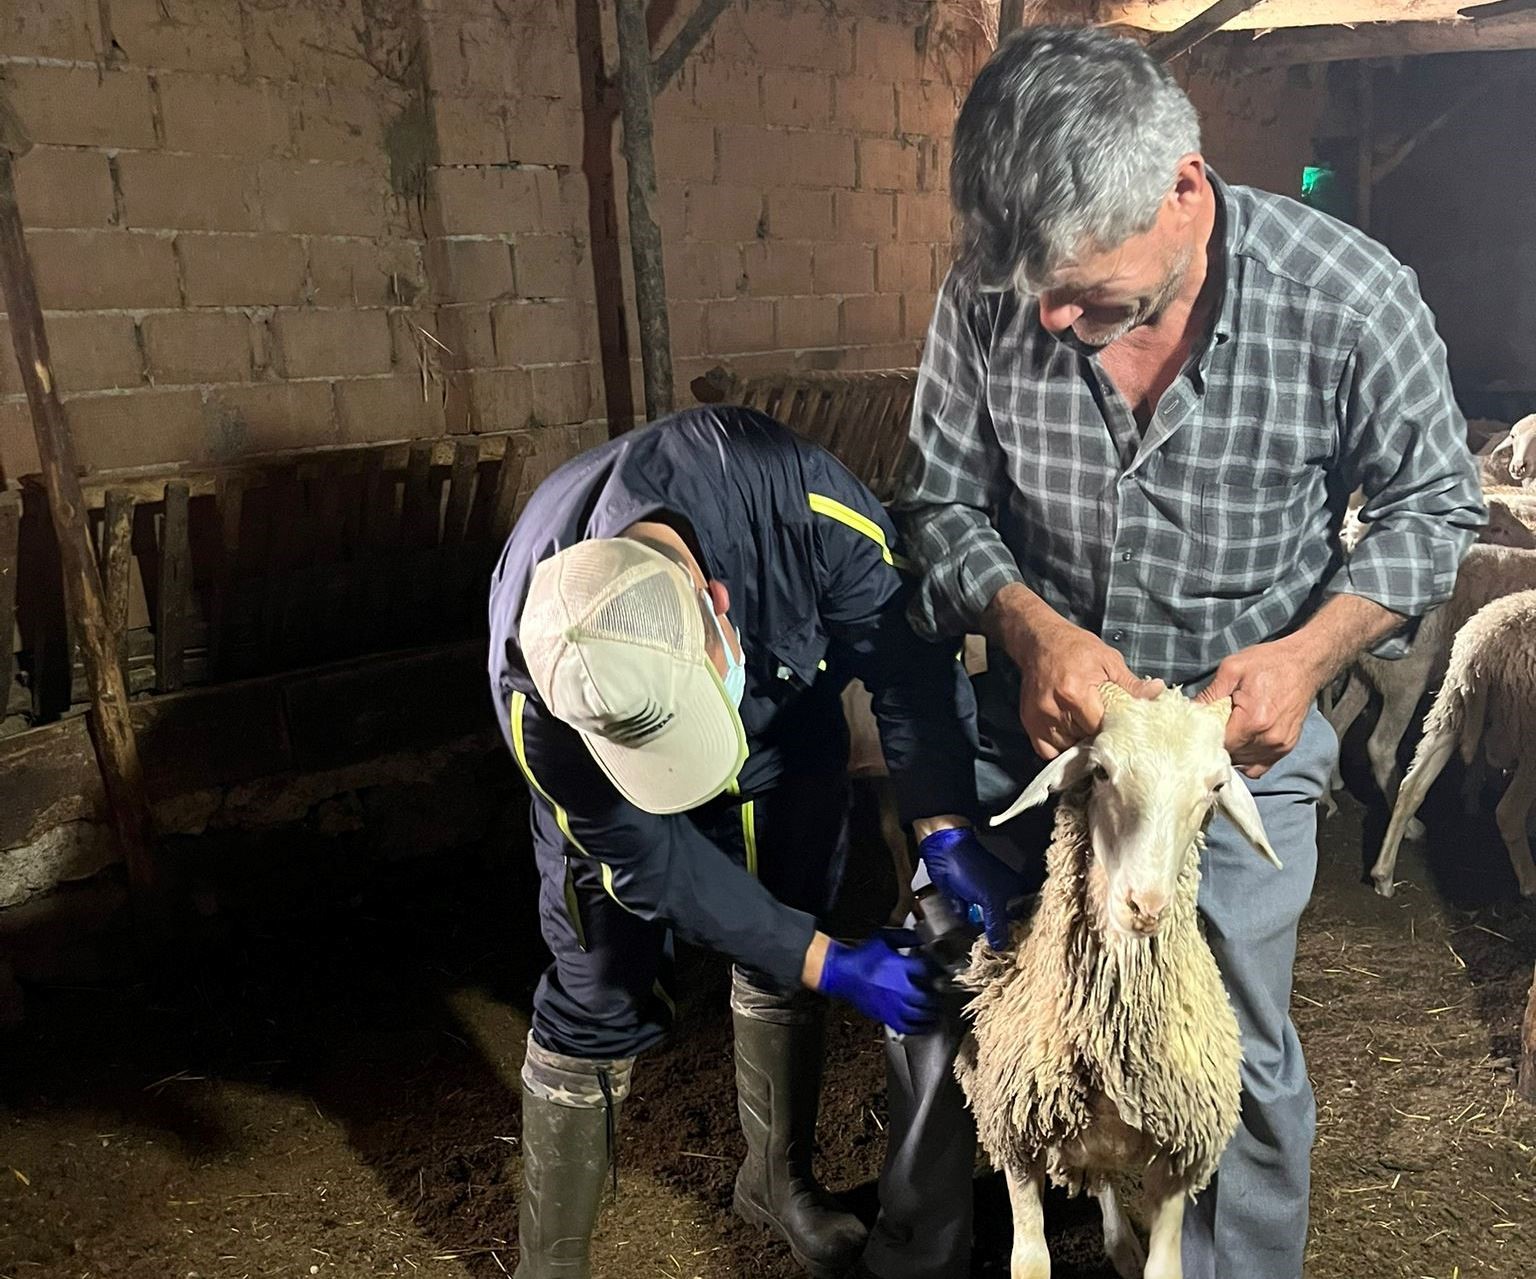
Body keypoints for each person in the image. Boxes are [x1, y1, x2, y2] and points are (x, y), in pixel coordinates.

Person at [866, 26, 1486, 1279]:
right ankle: (932, 1252)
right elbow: (935, 500)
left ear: (1184, 194)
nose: (1046, 315)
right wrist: (1027, 625)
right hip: (1037, 745)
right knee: (964, 1003)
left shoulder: (1351, 299)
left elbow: (1439, 507)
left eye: (1086, 289)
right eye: (1032, 285)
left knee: (1231, 1049)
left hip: (1232, 748)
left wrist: (1310, 654)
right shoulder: (995, 296)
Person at [489, 404, 1017, 1279]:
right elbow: (648, 858)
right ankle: (552, 1268)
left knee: (792, 906)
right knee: (599, 979)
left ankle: (775, 1181)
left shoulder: (808, 513)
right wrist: (832, 963)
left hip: (782, 730)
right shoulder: (535, 676)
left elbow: (908, 667)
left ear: (717, 603)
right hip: (620, 789)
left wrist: (944, 826)